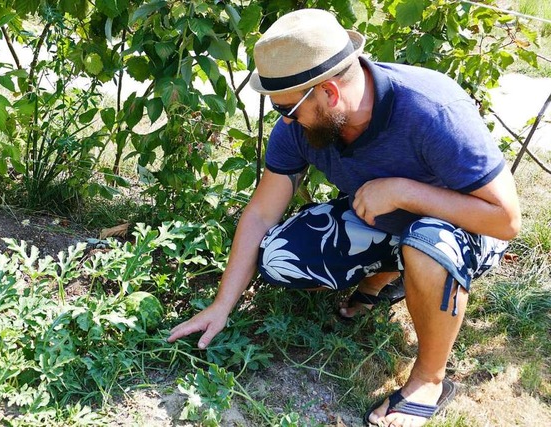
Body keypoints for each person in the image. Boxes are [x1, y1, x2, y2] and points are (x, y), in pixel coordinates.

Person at [168, 8, 521, 427]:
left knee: (427, 244)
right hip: (383, 219)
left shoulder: (433, 109)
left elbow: (506, 221)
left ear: (330, 94)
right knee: (280, 255)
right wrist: (222, 305)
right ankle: (390, 274)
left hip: (467, 226)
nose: (284, 120)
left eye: (288, 109)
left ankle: (429, 379)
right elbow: (262, 212)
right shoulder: (302, 126)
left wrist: (405, 191)